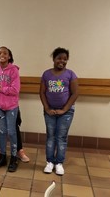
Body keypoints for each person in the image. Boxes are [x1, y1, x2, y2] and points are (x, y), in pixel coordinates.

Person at [40, 47, 79, 176]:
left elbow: (75, 94)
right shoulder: (46, 74)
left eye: (65, 59)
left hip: (66, 112)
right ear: (54, 59)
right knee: (50, 137)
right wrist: (47, 108)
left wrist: (64, 110)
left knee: (61, 137)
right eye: (59, 58)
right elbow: (42, 92)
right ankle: (50, 162)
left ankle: (59, 163)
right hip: (49, 111)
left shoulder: (71, 74)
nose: (62, 61)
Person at [0, 46, 20, 172]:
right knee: (1, 132)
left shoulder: (14, 70)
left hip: (11, 107)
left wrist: (0, 89)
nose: (2, 55)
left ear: (9, 56)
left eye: (5, 53)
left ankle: (14, 157)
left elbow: (15, 90)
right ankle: (2, 156)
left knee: (11, 132)